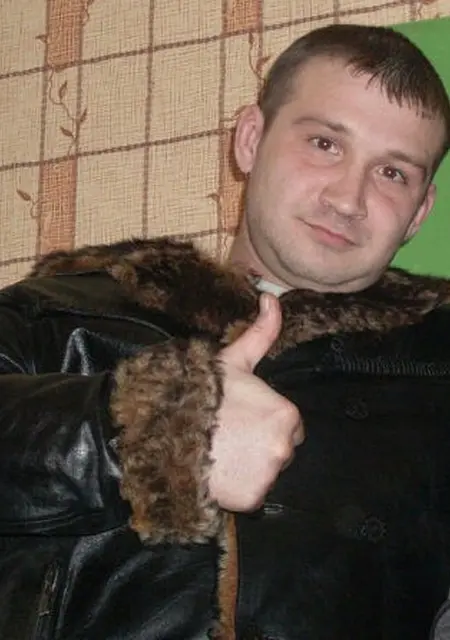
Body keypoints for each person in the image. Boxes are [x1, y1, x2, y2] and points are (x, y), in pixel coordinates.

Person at [0, 22, 449, 640]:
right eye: (324, 143)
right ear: (251, 140)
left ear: (419, 213)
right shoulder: (64, 310)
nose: (349, 198)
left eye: (393, 173)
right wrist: (158, 432)